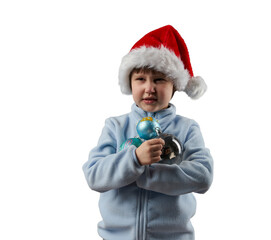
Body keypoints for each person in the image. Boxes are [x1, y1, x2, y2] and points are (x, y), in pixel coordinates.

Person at [82, 25, 213, 240]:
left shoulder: (187, 128)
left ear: (175, 86)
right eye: (140, 79)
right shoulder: (115, 126)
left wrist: (149, 173)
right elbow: (94, 175)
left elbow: (203, 175)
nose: (149, 88)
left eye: (159, 79)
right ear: (130, 83)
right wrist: (133, 159)